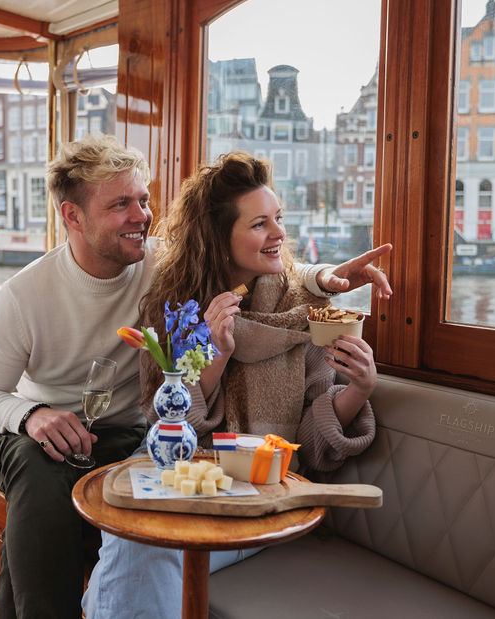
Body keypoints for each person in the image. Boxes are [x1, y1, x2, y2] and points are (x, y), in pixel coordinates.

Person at [0, 134, 391, 618]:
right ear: (72, 216)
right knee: (37, 478)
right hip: (43, 432)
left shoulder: (158, 260)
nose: (141, 216)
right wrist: (32, 414)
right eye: (121, 204)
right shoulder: (23, 296)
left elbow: (264, 258)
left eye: (143, 199)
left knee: (67, 534)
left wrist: (324, 278)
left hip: (132, 433)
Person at [83, 151, 390, 618]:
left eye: (278, 219)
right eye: (259, 224)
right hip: (184, 471)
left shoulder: (302, 312)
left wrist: (358, 390)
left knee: (140, 552)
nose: (278, 234)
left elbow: (305, 446)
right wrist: (216, 356)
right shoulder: (175, 304)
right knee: (132, 539)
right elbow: (164, 419)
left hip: (257, 494)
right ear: (219, 238)